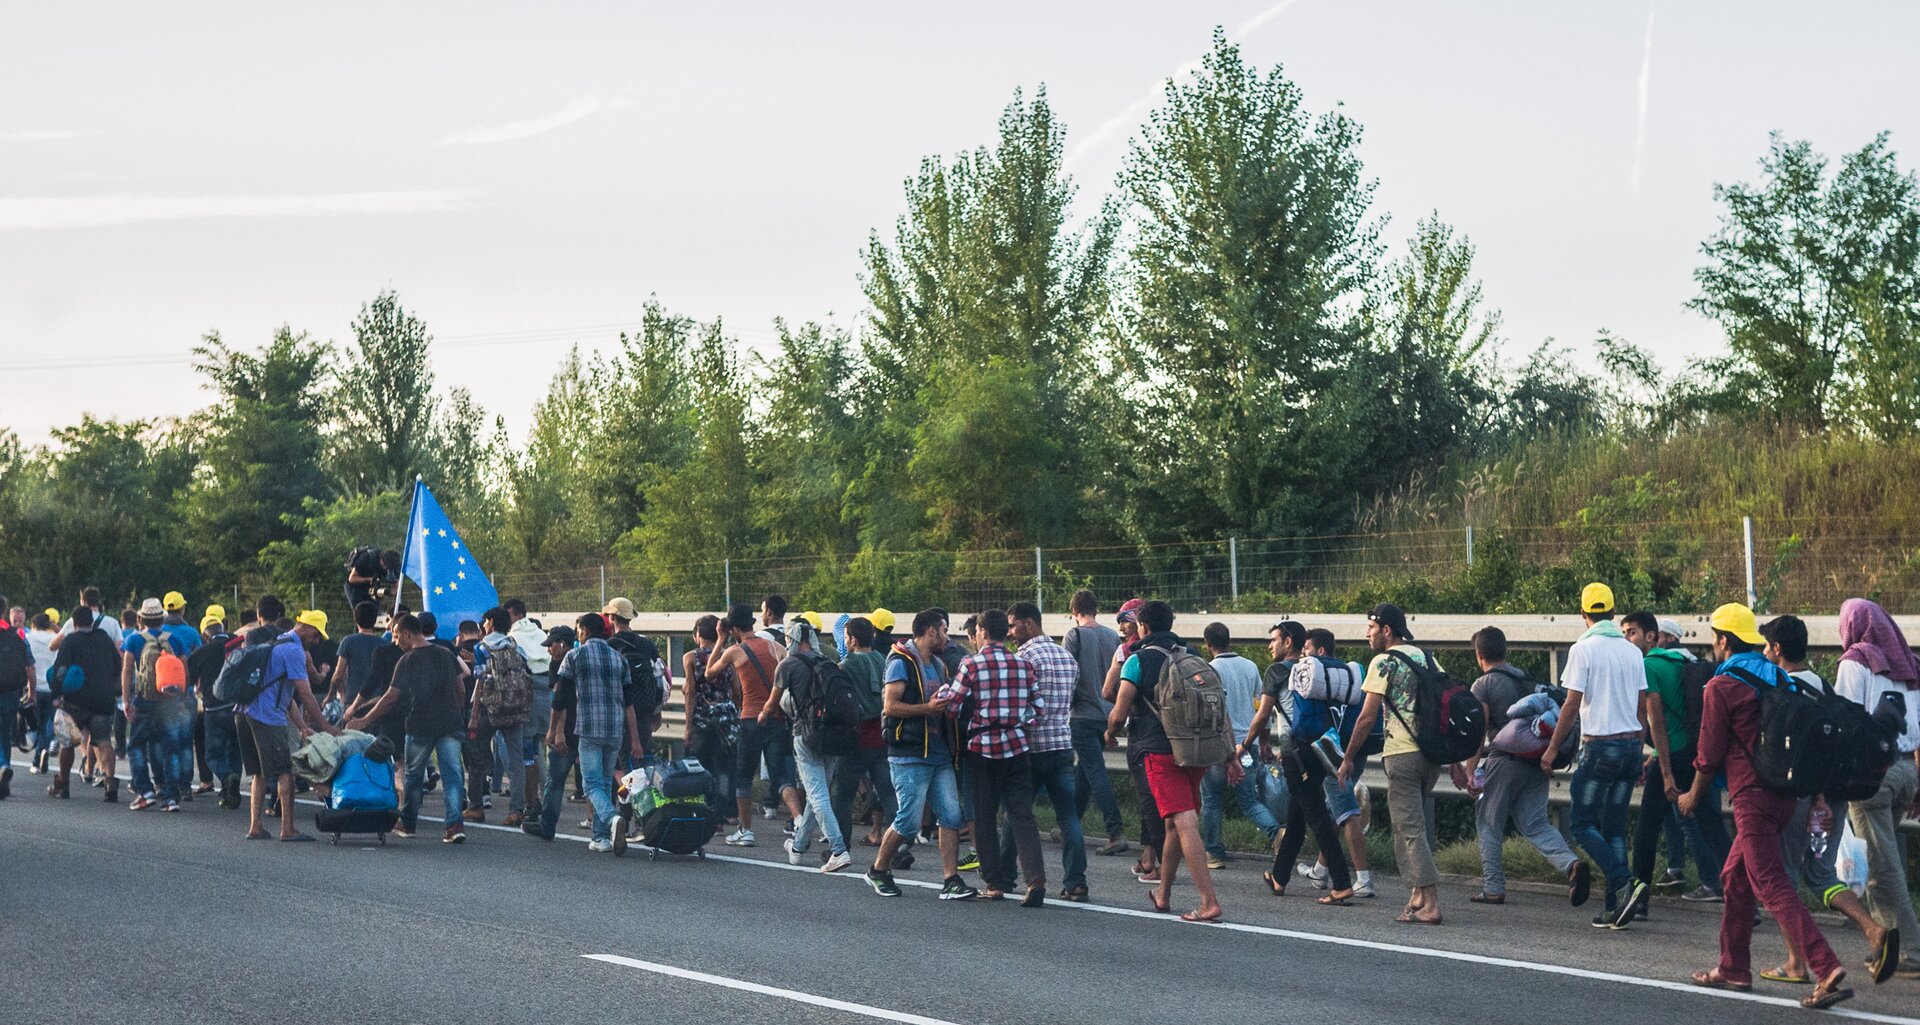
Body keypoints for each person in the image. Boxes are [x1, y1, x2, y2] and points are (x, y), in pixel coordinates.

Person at [1681, 603, 1863, 1009]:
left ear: (1724, 641)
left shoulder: (1721, 686)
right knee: (1735, 877)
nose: (1713, 646)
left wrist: (1692, 795)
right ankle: (1733, 968)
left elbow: (1708, 756)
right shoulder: (1780, 677)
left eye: (1714, 638)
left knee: (1771, 883)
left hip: (1752, 797)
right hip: (1785, 794)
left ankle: (1825, 965)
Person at [1755, 613, 1900, 985]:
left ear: (1777, 649)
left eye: (1767, 646)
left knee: (1784, 876)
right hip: (1833, 797)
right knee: (1819, 874)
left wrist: (1814, 798)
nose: (1764, 652)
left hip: (1807, 798)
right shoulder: (1822, 686)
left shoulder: (1786, 690)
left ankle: (1796, 963)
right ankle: (1873, 929)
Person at [1110, 600, 1231, 922]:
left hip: (1159, 751)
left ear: (1143, 627)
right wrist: (1229, 754)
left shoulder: (1137, 660)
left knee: (1183, 821)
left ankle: (1208, 901)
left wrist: (1109, 733)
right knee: (1172, 823)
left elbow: (1119, 712)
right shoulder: (1193, 656)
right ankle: (1163, 893)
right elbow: (1219, 705)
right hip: (1197, 751)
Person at [1541, 583, 1651, 929]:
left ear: (1583, 614)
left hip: (1600, 747)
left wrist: (1552, 749)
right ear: (1614, 614)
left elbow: (1571, 705)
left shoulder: (1582, 649)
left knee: (1582, 824)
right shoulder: (1633, 651)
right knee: (1614, 829)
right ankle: (1615, 908)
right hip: (1631, 746)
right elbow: (1641, 705)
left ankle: (1623, 882)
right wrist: (1640, 749)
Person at [1460, 626, 1589, 907]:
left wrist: (1470, 770)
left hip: (1504, 761)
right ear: (1505, 651)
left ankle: (1493, 887)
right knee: (1535, 823)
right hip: (1537, 759)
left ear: (1479, 654)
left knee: (1488, 821)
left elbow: (1479, 730)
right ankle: (1571, 865)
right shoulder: (1525, 679)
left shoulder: (1483, 684)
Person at [1338, 602, 1443, 925]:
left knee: (1409, 829)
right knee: (1407, 827)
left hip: (1402, 753)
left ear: (1386, 630)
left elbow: (1367, 716)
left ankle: (1431, 903)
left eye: (1371, 628)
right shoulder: (1426, 657)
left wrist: (1348, 757)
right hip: (1431, 754)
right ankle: (1416, 895)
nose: (1367, 634)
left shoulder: (1382, 662)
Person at [1832, 598, 1920, 978]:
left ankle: (1911, 952)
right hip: (1905, 773)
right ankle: (1883, 945)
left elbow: (1844, 719)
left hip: (1871, 776)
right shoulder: (1907, 664)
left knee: (1882, 868)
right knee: (1876, 861)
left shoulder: (1856, 659)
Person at [1622, 610, 1730, 916]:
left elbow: (1657, 720)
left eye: (1632, 633)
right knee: (1712, 826)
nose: (1627, 639)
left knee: (1647, 827)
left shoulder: (1648, 666)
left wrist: (1665, 772)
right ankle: (1743, 901)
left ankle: (1639, 902)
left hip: (1674, 755)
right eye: (1625, 633)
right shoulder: (1685, 662)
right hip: (1697, 753)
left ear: (1651, 637)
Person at [938, 608, 1046, 906]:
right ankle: (1035, 879)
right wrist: (1015, 720)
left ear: (983, 632)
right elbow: (1038, 709)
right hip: (1017, 747)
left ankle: (995, 883)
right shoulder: (1023, 664)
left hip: (982, 748)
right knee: (1022, 815)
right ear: (1005, 632)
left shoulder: (971, 665)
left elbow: (952, 706)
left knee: (984, 816)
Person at [866, 609, 975, 900]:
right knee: (909, 822)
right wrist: (927, 709)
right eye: (943, 631)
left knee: (951, 816)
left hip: (939, 754)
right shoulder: (900, 661)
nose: (947, 637)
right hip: (909, 754)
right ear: (929, 632)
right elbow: (890, 706)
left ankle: (951, 879)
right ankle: (878, 870)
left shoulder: (938, 665)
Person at [347, 612, 468, 844]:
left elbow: (390, 697)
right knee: (452, 775)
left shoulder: (407, 660)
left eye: (396, 636)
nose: (395, 642)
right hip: (450, 723)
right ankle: (454, 825)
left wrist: (365, 719)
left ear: (407, 634)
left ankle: (408, 822)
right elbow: (460, 688)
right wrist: (456, 712)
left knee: (413, 775)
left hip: (419, 725)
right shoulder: (446, 654)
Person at [237, 600, 338, 842]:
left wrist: (302, 725)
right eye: (316, 634)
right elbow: (304, 692)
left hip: (243, 711)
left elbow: (285, 694)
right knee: (286, 771)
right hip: (266, 716)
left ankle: (256, 826)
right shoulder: (293, 651)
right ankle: (288, 828)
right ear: (303, 627)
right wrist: (325, 726)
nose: (317, 640)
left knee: (259, 773)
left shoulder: (276, 643)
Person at [1008, 602, 1088, 902]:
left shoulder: (1024, 658)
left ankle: (1004, 874)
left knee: (1017, 813)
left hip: (1032, 747)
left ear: (1029, 623)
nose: (1011, 631)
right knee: (1068, 816)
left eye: (1014, 624)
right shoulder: (1067, 657)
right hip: (1063, 746)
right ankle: (1076, 881)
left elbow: (1020, 704)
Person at [762, 617, 854, 873]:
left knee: (817, 795)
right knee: (818, 794)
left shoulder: (787, 664)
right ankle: (799, 846)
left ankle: (839, 850)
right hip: (835, 735)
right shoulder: (829, 662)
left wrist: (761, 717)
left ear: (792, 641)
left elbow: (772, 704)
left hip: (806, 735)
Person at [708, 604, 802, 847]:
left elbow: (710, 673)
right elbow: (791, 663)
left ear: (735, 629)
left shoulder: (735, 651)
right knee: (780, 775)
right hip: (777, 718)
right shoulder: (775, 646)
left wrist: (720, 640)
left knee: (743, 777)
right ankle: (799, 820)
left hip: (750, 718)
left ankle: (746, 830)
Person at [554, 613, 644, 852]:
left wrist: (554, 730)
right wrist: (635, 738)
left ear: (584, 630)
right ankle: (601, 838)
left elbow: (560, 697)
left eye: (579, 630)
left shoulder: (574, 655)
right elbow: (629, 703)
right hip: (615, 729)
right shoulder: (619, 659)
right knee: (604, 782)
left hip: (589, 727)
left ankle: (612, 818)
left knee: (591, 784)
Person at [1199, 620, 1279, 868]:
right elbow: (1261, 707)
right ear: (1229, 640)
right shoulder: (1251, 666)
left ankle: (1213, 852)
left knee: (1211, 799)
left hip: (1219, 745)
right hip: (1248, 744)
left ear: (1207, 644)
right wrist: (1264, 741)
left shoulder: (1209, 669)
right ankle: (1276, 833)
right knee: (1249, 801)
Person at [1061, 589, 1127, 856]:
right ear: (1095, 609)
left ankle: (1115, 830)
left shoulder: (1074, 635)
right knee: (1085, 771)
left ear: (1074, 611)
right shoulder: (1112, 636)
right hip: (1108, 714)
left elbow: (1066, 673)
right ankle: (1069, 824)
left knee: (1095, 771)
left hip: (1083, 715)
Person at [1103, 598, 1162, 881]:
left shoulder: (1127, 652)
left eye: (1123, 621)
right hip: (1176, 733)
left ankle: (1155, 862)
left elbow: (1106, 691)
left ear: (1137, 622)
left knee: (1147, 799)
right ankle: (1150, 857)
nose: (1121, 627)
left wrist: (1127, 705)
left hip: (1143, 734)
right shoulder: (1179, 649)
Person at [121, 597, 196, 812]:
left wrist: (127, 701)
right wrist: (182, 699)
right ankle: (172, 798)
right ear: (161, 619)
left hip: (145, 700)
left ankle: (145, 791)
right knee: (171, 749)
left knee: (135, 745)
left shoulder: (134, 640)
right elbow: (184, 671)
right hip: (170, 701)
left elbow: (127, 672)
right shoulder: (174, 639)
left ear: (141, 618)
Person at [829, 616, 895, 859]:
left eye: (846, 637)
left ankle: (841, 849)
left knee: (842, 795)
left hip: (857, 738)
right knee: (888, 792)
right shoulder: (883, 659)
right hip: (883, 735)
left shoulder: (846, 665)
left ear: (853, 640)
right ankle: (898, 847)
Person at [47, 605, 122, 802]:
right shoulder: (105, 639)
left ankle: (63, 785)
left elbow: (60, 669)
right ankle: (110, 783)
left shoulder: (71, 641)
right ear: (91, 620)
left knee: (67, 742)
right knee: (104, 740)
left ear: (74, 622)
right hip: (103, 699)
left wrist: (57, 693)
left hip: (76, 701)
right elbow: (118, 666)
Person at [472, 607, 532, 828]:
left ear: (491, 622)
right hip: (515, 707)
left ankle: (476, 805)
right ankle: (516, 810)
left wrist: (474, 714)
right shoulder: (515, 644)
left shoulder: (482, 647)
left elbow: (479, 680)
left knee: (477, 753)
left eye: (485, 621)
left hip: (491, 707)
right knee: (516, 761)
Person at [525, 625, 580, 841]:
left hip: (566, 731)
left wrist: (557, 732)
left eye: (551, 645)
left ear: (562, 644)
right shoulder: (583, 657)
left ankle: (547, 826)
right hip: (587, 727)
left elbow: (560, 700)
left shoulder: (559, 663)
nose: (549, 651)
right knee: (596, 781)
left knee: (555, 782)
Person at [186, 608, 242, 809]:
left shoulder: (201, 652)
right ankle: (230, 793)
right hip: (239, 707)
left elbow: (189, 681)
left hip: (214, 709)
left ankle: (227, 778)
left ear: (204, 634)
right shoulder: (238, 642)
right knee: (235, 750)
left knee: (213, 754)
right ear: (222, 626)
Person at [682, 614, 737, 808]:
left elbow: (690, 692)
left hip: (702, 719)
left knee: (702, 765)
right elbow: (736, 689)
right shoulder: (729, 655)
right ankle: (726, 810)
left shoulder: (691, 657)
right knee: (724, 767)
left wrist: (688, 726)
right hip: (726, 718)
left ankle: (706, 806)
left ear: (698, 634)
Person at [0, 597, 28, 798]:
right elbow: (29, 665)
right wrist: (31, 692)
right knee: (6, 733)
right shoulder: (16, 636)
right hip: (11, 690)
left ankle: (3, 765)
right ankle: (4, 776)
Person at [25, 611, 58, 775]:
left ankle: (38, 753)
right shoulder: (54, 640)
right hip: (51, 688)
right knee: (46, 724)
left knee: (31, 726)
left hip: (33, 687)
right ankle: (41, 754)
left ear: (33, 625)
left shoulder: (29, 638)